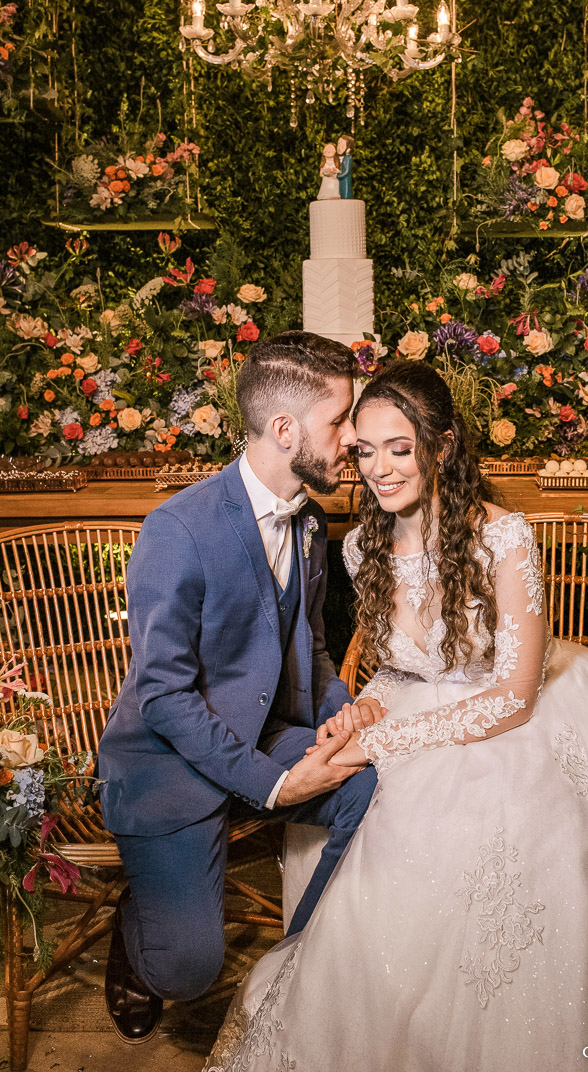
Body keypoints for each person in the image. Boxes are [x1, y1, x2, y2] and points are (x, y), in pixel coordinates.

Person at [204, 361, 588, 1072]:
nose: (380, 470)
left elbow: (515, 696)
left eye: (399, 448)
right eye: (364, 451)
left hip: (525, 717)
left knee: (483, 830)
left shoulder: (503, 537)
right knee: (352, 804)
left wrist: (379, 743)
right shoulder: (363, 544)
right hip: (421, 711)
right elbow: (401, 667)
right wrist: (365, 709)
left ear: (443, 446)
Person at [97, 332, 379, 1044]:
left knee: (373, 784)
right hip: (167, 763)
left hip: (263, 734)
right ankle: (135, 935)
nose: (353, 438)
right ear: (285, 430)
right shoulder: (176, 531)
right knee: (187, 970)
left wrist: (340, 717)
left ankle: (304, 957)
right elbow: (163, 700)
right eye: (339, 419)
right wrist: (276, 784)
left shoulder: (309, 522)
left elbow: (308, 648)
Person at [336, 133, 354, 198]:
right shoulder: (343, 157)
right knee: (341, 191)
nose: (339, 148)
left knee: (345, 191)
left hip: (345, 179)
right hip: (342, 180)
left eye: (342, 146)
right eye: (338, 145)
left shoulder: (348, 158)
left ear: (348, 149)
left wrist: (338, 175)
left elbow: (347, 171)